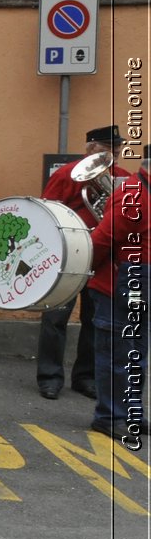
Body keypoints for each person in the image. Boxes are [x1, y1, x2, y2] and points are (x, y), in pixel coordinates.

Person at [37, 125, 128, 400]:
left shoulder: (123, 178)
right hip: (69, 254)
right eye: (105, 148)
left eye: (115, 148)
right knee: (55, 315)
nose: (112, 153)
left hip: (101, 257)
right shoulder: (67, 174)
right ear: (89, 149)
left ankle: (85, 376)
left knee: (94, 317)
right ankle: (49, 377)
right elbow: (48, 212)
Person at [86, 155, 149, 446]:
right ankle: (110, 416)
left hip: (136, 279)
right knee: (117, 354)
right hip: (120, 281)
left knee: (136, 354)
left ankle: (132, 413)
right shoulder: (134, 194)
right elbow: (103, 239)